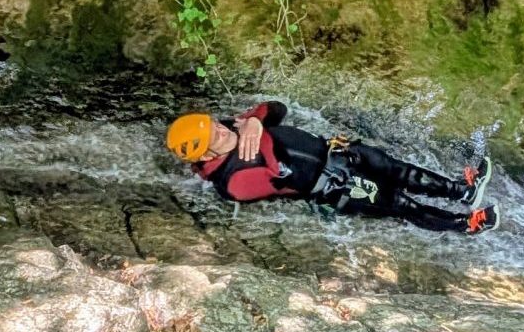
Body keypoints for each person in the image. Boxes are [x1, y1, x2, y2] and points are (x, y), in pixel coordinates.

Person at [166, 100, 498, 234]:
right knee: (401, 203)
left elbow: (277, 109)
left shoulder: (234, 129)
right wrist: (258, 131)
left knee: (400, 170)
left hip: (336, 152)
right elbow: (281, 174)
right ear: (206, 156)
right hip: (335, 184)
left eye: (215, 125)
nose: (223, 129)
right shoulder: (232, 183)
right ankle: (465, 225)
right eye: (215, 135)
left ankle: (463, 190)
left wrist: (253, 119)